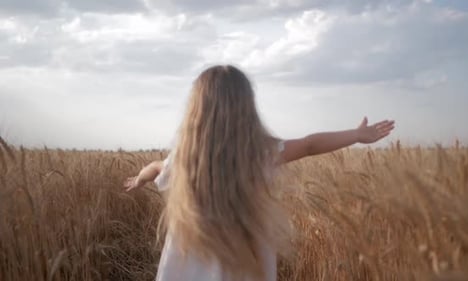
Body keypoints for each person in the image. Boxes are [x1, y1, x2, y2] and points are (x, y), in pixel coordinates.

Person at [123, 65, 395, 281]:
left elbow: (156, 167)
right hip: (245, 267)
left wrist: (139, 178)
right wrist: (356, 134)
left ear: (196, 111)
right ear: (247, 109)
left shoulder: (184, 159)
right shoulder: (260, 155)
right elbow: (310, 144)